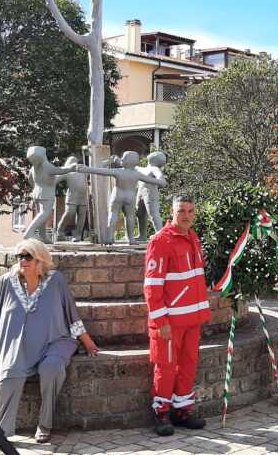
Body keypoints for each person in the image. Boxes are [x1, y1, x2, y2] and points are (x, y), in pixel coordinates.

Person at [0, 239, 99, 443]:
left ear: (40, 259)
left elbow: (70, 312)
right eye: (20, 256)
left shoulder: (56, 280)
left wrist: (87, 341)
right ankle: (2, 432)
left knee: (52, 368)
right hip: (16, 344)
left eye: (28, 256)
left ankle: (45, 424)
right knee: (10, 373)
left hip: (55, 340)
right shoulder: (6, 281)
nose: (23, 260)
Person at [145, 196, 211, 436]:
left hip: (192, 319)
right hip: (170, 322)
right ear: (171, 212)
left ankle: (182, 410)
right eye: (181, 211)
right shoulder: (160, 241)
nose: (186, 215)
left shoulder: (193, 237)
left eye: (191, 211)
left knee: (188, 366)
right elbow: (152, 286)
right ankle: (161, 412)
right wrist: (161, 321)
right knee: (166, 367)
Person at [73, 151, 167, 244]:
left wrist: (87, 169)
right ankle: (132, 239)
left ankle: (109, 237)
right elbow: (156, 181)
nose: (121, 159)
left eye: (123, 158)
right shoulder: (137, 173)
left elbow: (102, 171)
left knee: (114, 213)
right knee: (132, 216)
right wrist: (160, 181)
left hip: (121, 195)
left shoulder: (120, 171)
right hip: (131, 197)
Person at [24, 146, 74, 244]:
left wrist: (36, 187)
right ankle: (28, 233)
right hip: (46, 194)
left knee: (41, 216)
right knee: (44, 214)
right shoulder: (47, 166)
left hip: (36, 193)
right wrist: (71, 168)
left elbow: (30, 180)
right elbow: (60, 171)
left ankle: (43, 237)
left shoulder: (34, 168)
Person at [55, 156, 89, 242]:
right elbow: (56, 179)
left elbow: (95, 168)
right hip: (72, 197)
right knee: (70, 213)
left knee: (82, 216)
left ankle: (77, 235)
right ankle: (60, 231)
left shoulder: (83, 170)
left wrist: (107, 162)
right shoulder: (67, 172)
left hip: (83, 197)